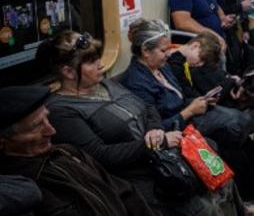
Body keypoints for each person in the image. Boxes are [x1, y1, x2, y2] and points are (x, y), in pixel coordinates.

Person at [37, 30, 244, 216]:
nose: (101, 65)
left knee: (218, 170)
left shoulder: (107, 85)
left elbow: (148, 108)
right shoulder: (61, 110)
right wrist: (156, 144)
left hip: (158, 156)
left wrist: (155, 129)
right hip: (133, 173)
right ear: (68, 72)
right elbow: (100, 155)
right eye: (91, 62)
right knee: (201, 207)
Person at [120, 18, 254, 202]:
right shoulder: (138, 82)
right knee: (237, 128)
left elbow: (181, 95)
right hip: (178, 127)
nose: (168, 54)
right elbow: (155, 126)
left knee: (240, 128)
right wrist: (189, 111)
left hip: (190, 114)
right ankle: (251, 183)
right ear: (145, 51)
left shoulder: (161, 68)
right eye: (164, 50)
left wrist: (198, 101)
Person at [0, 85, 158, 216]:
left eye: (47, 119)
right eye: (36, 126)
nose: (51, 131)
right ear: (4, 141)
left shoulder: (67, 152)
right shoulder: (21, 189)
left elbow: (124, 191)